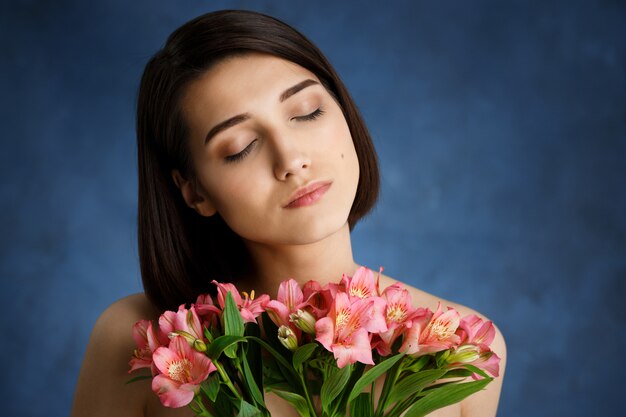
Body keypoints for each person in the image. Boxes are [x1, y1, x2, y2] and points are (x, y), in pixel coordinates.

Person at [72, 9, 506, 417]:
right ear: (194, 191)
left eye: (307, 112)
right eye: (241, 147)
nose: (292, 159)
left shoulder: (460, 344)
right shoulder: (141, 341)